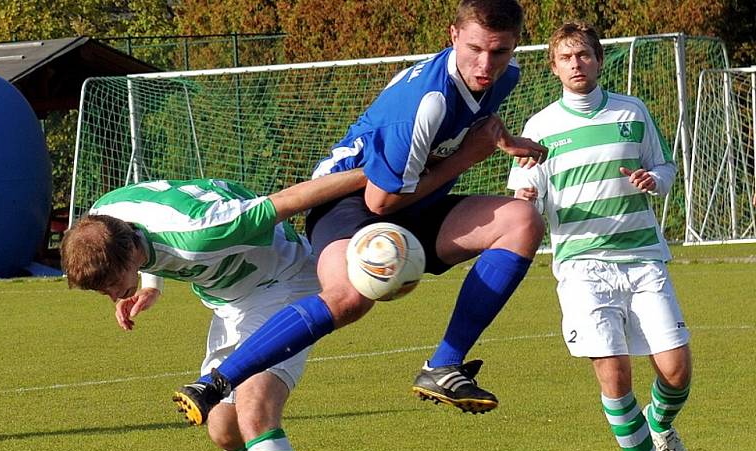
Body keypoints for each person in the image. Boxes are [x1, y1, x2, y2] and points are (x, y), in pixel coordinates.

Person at [171, 0, 548, 427]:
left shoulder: (504, 76)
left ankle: (444, 366)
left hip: (410, 196)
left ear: (515, 45)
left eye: (499, 52)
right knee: (350, 297)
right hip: (347, 202)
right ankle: (216, 384)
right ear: (453, 35)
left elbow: (476, 116)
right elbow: (379, 203)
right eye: (475, 49)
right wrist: (467, 158)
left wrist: (501, 138)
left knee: (522, 220)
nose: (486, 64)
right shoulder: (426, 102)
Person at [61, 170, 366, 451]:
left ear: (129, 250)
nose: (114, 297)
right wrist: (149, 284)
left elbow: (291, 198)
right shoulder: (104, 223)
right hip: (231, 303)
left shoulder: (204, 232)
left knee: (255, 411)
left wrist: (377, 172)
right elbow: (149, 227)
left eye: (114, 285)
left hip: (284, 284)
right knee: (224, 429)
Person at [507, 22, 691, 451]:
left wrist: (655, 179)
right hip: (581, 266)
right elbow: (525, 190)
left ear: (598, 60)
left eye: (584, 55)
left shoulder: (633, 111)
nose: (576, 64)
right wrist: (527, 194)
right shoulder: (540, 127)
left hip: (642, 257)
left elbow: (666, 167)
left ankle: (660, 424)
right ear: (554, 67)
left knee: (676, 370)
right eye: (566, 58)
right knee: (615, 375)